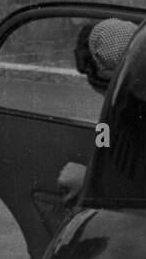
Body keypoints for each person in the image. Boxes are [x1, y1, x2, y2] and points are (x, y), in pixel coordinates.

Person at [57, 18, 139, 200]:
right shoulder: (115, 108)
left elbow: (139, 185)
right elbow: (104, 151)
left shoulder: (133, 117)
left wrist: (87, 179)